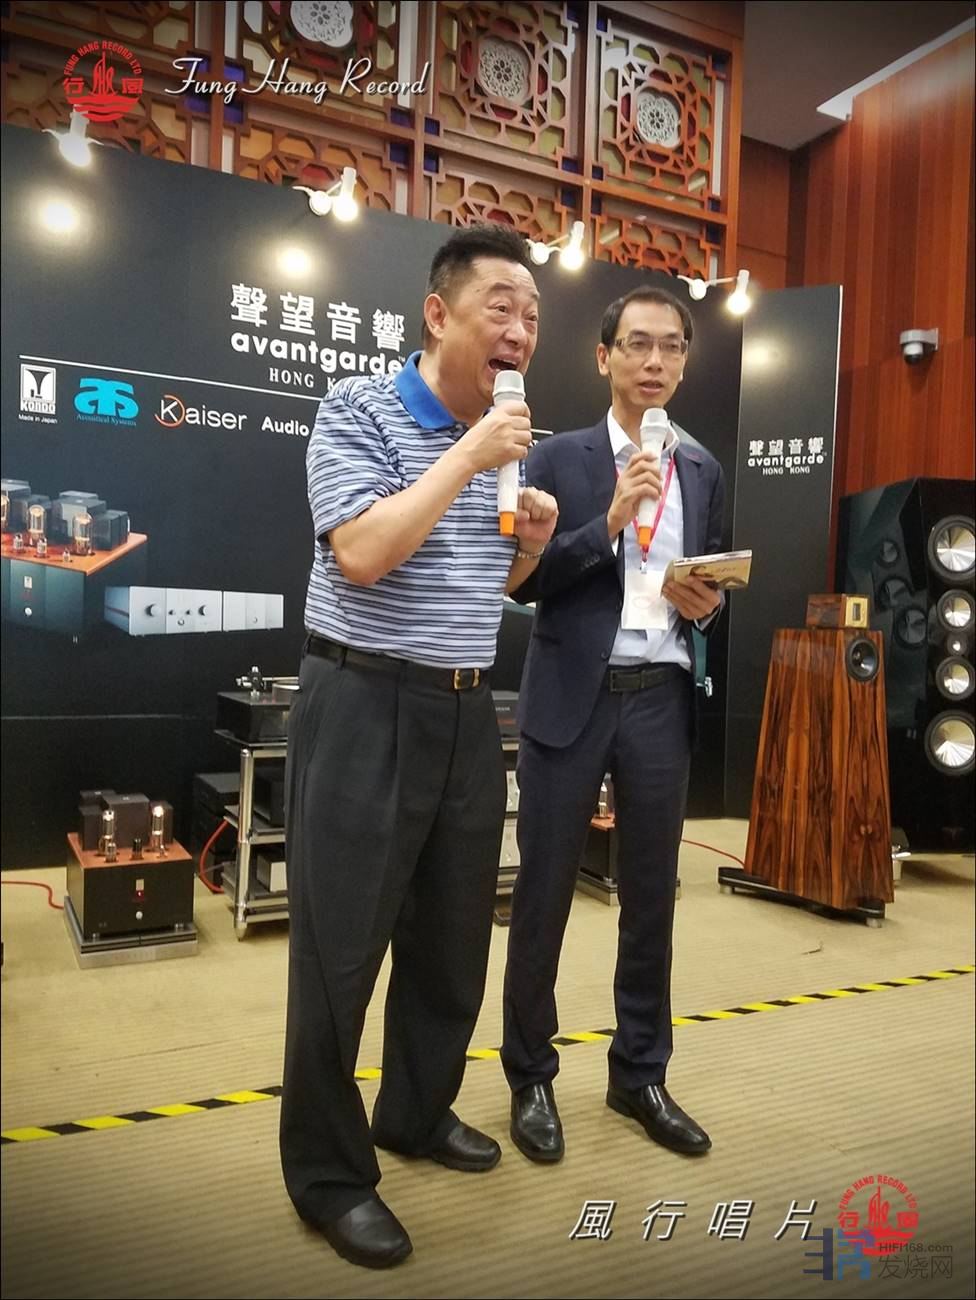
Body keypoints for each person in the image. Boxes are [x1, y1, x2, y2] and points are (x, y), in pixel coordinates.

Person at [280, 223, 558, 1269]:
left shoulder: (504, 432)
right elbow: (362, 552)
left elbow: (480, 584)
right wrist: (468, 456)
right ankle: (328, 1174)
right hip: (362, 700)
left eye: (532, 315)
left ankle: (414, 1110)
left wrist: (528, 549)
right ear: (438, 314)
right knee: (339, 952)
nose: (520, 330)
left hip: (465, 711)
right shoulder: (358, 408)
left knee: (451, 939)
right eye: (501, 307)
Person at [502, 285, 724, 1164]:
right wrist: (609, 523)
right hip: (572, 693)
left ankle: (639, 1073)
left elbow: (712, 582)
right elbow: (526, 581)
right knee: (544, 893)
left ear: (684, 362)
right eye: (637, 344)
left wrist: (707, 604)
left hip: (660, 694)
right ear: (604, 357)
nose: (655, 361)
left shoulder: (701, 467)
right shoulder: (557, 456)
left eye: (671, 346)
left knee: (651, 897)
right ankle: (530, 1075)